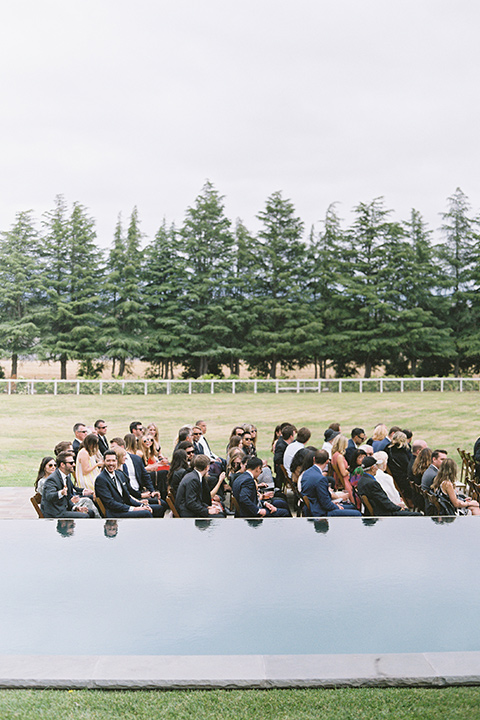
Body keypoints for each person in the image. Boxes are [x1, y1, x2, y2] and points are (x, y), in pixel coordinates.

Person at [94, 450, 155, 518]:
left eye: (113, 460)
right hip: (115, 513)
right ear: (103, 461)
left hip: (124, 507)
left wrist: (142, 505)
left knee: (158, 509)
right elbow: (111, 503)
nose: (111, 463)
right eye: (108, 461)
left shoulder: (119, 474)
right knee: (146, 513)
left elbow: (127, 497)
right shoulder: (101, 479)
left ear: (117, 461)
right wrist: (134, 509)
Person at [301, 449, 361, 517]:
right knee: (357, 513)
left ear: (314, 459)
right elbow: (326, 504)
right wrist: (337, 507)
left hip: (314, 506)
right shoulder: (321, 479)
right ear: (327, 461)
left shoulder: (306, 473)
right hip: (320, 512)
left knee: (352, 507)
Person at [41, 451, 95, 518]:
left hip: (65, 510)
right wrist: (61, 493)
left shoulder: (67, 477)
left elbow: (68, 498)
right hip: (55, 513)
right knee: (84, 516)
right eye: (71, 463)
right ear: (62, 465)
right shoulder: (52, 479)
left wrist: (75, 508)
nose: (74, 465)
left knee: (90, 512)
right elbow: (49, 496)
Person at [386, 431, 413, 500]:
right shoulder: (403, 452)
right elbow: (408, 467)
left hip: (394, 475)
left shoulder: (388, 449)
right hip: (402, 478)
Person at [330, 434, 354, 503]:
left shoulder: (334, 455)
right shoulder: (339, 456)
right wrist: (349, 469)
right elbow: (343, 473)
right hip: (344, 481)